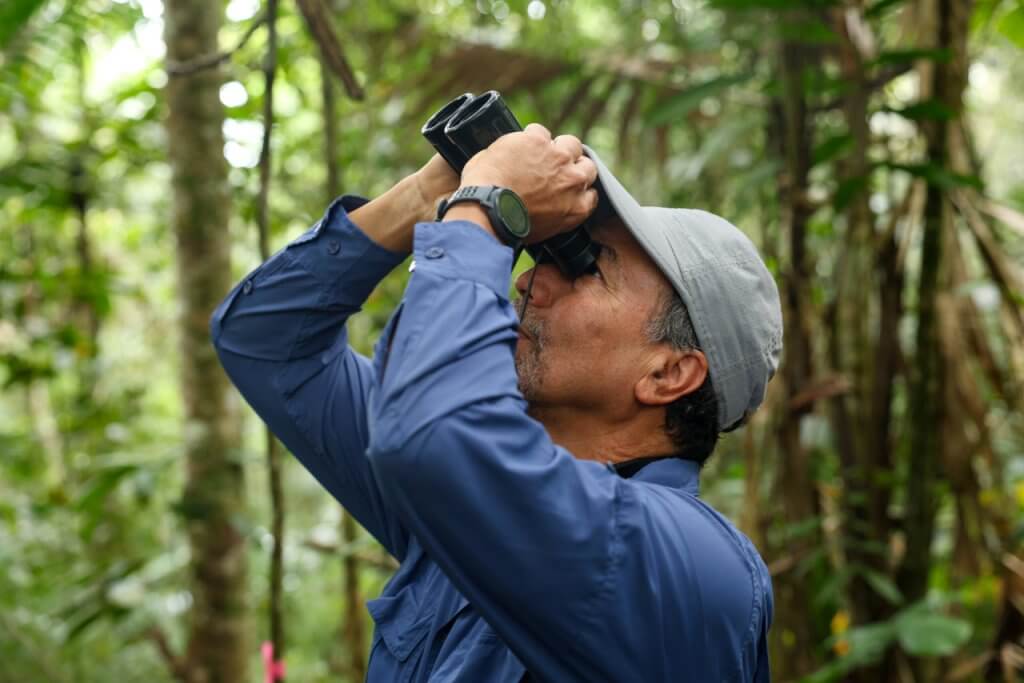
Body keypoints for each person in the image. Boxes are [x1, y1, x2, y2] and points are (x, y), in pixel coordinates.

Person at [211, 123, 782, 682]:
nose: (529, 282)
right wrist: (425, 197)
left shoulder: (694, 567)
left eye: (586, 267)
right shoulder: (464, 505)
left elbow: (431, 435)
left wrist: (483, 211)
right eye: (544, 256)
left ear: (668, 373)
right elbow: (267, 341)